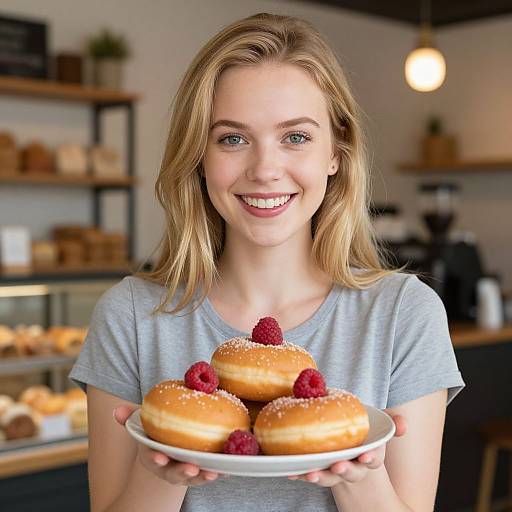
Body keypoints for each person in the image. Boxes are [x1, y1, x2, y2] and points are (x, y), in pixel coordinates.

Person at [69, 12, 465, 512]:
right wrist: (162, 475)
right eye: (232, 138)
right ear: (199, 155)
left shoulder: (404, 314)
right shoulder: (130, 314)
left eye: (295, 137)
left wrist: (356, 477)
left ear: (336, 153)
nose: (265, 170)